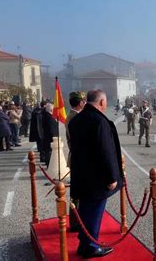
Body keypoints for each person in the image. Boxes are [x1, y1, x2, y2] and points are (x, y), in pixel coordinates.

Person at [69, 89, 123, 258]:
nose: (106, 105)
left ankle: (85, 242)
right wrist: (112, 177)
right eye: (105, 102)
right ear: (101, 102)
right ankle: (90, 246)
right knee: (94, 212)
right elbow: (105, 151)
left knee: (85, 209)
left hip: (81, 174)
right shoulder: (99, 121)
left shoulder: (76, 120)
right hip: (97, 178)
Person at [65, 91, 86, 232]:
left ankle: (76, 222)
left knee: (77, 192)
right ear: (80, 103)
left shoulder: (71, 116)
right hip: (79, 158)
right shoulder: (76, 118)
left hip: (76, 157)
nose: (85, 103)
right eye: (83, 101)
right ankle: (77, 223)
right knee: (78, 193)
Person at [41, 103, 58, 167]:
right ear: (51, 109)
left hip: (47, 137)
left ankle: (49, 164)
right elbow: (51, 129)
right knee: (49, 152)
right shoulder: (49, 117)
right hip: (50, 138)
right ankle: (49, 165)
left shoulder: (47, 115)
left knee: (48, 151)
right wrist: (54, 137)